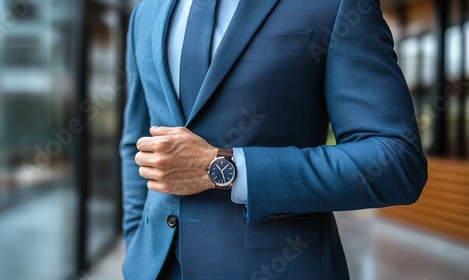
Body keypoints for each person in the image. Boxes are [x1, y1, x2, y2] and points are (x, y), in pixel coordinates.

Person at [120, 0, 428, 279]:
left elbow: (396, 160)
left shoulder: (337, 5)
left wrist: (227, 168)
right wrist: (136, 242)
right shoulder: (147, 13)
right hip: (154, 269)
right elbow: (135, 141)